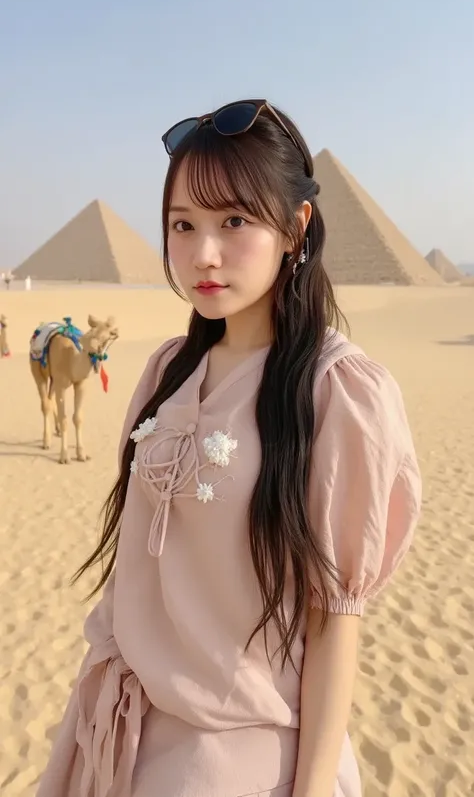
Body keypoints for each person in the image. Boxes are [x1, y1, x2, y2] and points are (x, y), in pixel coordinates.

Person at [36, 99, 421, 797]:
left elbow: (335, 621)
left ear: (295, 228)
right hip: (114, 741)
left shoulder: (337, 393)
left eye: (234, 222)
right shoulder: (164, 370)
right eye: (183, 225)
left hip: (240, 765)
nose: (202, 254)